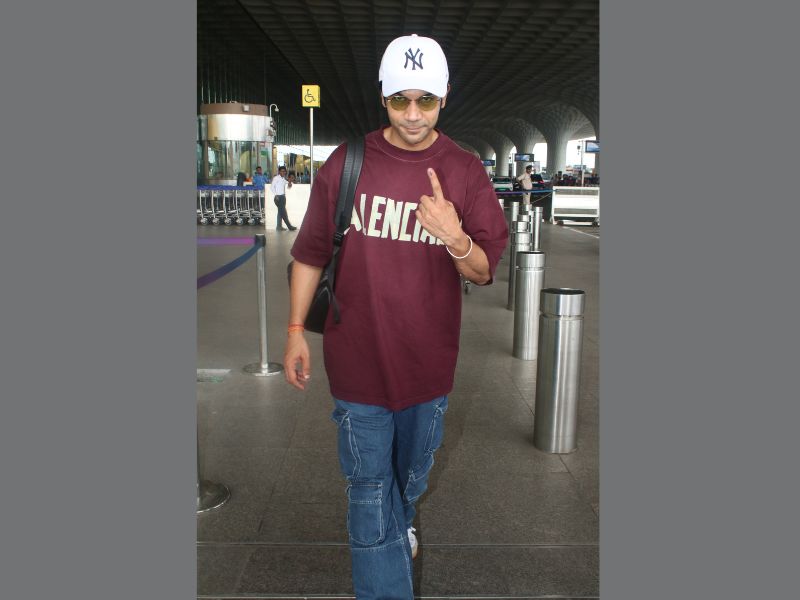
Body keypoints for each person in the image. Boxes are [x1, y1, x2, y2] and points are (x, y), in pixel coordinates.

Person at [283, 34, 508, 599]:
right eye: (399, 100)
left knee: (408, 479)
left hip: (427, 367)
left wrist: (456, 237)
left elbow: (483, 270)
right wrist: (294, 331)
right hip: (355, 361)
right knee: (367, 489)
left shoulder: (464, 171)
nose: (412, 114)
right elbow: (310, 254)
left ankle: (398, 519)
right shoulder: (347, 163)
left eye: (425, 100)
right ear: (382, 96)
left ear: (445, 96)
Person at [271, 166, 296, 231]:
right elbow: (272, 187)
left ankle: (279, 227)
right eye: (282, 171)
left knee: (280, 213)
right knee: (284, 213)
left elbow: (288, 185)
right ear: (279, 172)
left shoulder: (283, 179)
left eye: (284, 171)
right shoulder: (276, 178)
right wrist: (276, 195)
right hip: (278, 198)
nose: (283, 172)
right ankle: (290, 227)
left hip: (282, 197)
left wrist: (290, 183)